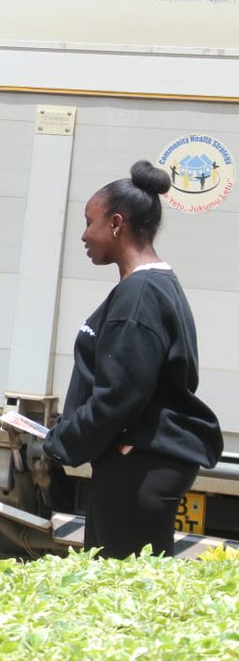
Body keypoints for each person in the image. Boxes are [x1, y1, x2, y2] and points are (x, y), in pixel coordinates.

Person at [44, 160, 221, 558]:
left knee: (122, 586)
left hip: (137, 469)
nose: (84, 234)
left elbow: (119, 397)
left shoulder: (139, 296)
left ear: (116, 224)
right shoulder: (152, 286)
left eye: (89, 222)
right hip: (136, 465)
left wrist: (61, 442)